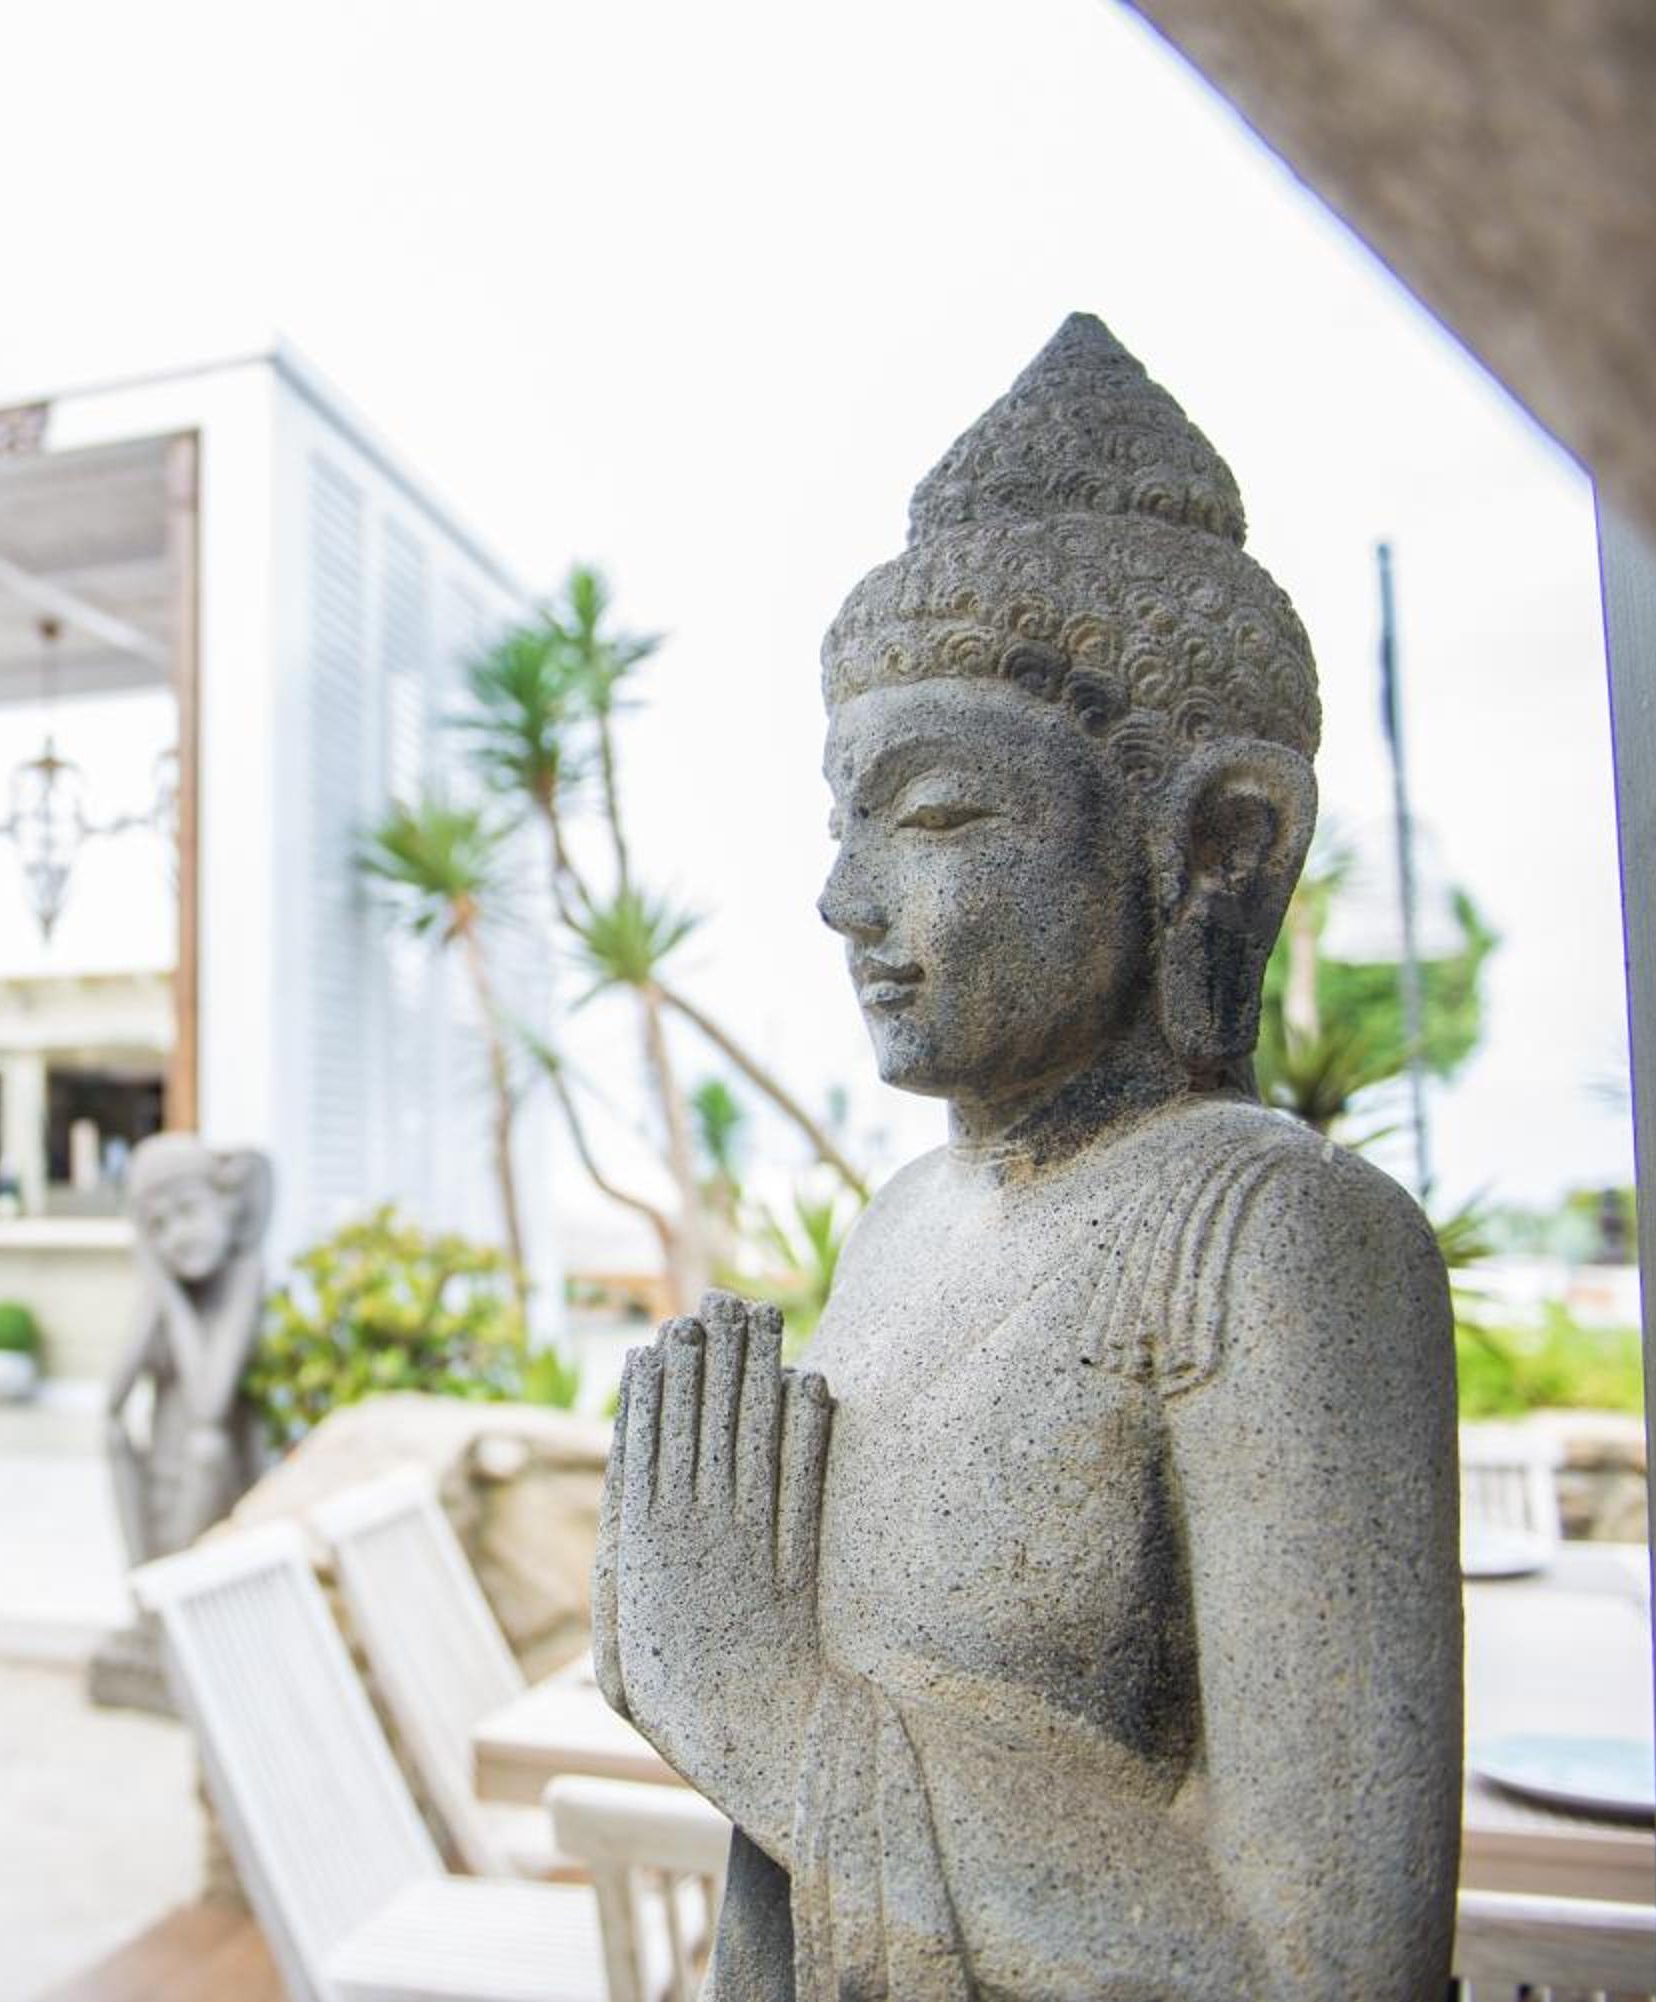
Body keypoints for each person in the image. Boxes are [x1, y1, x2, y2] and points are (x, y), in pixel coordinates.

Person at [594, 316, 1461, 1999]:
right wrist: (699, 1649)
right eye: (845, 821)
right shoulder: (901, 1224)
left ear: (1214, 842)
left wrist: (760, 1708)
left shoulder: (1273, 1238)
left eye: (935, 816)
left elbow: (1318, 1964)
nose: (845, 899)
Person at [103, 1134, 275, 1565]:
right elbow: (112, 1400)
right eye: (158, 1225)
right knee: (110, 1432)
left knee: (206, 1444)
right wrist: (155, 1284)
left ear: (227, 1204)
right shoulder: (169, 1286)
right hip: (163, 1473)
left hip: (216, 1482)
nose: (176, 1236)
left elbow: (208, 1405)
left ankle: (173, 1581)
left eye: (187, 1211)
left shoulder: (244, 1275)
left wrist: (170, 1298)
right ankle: (143, 1582)